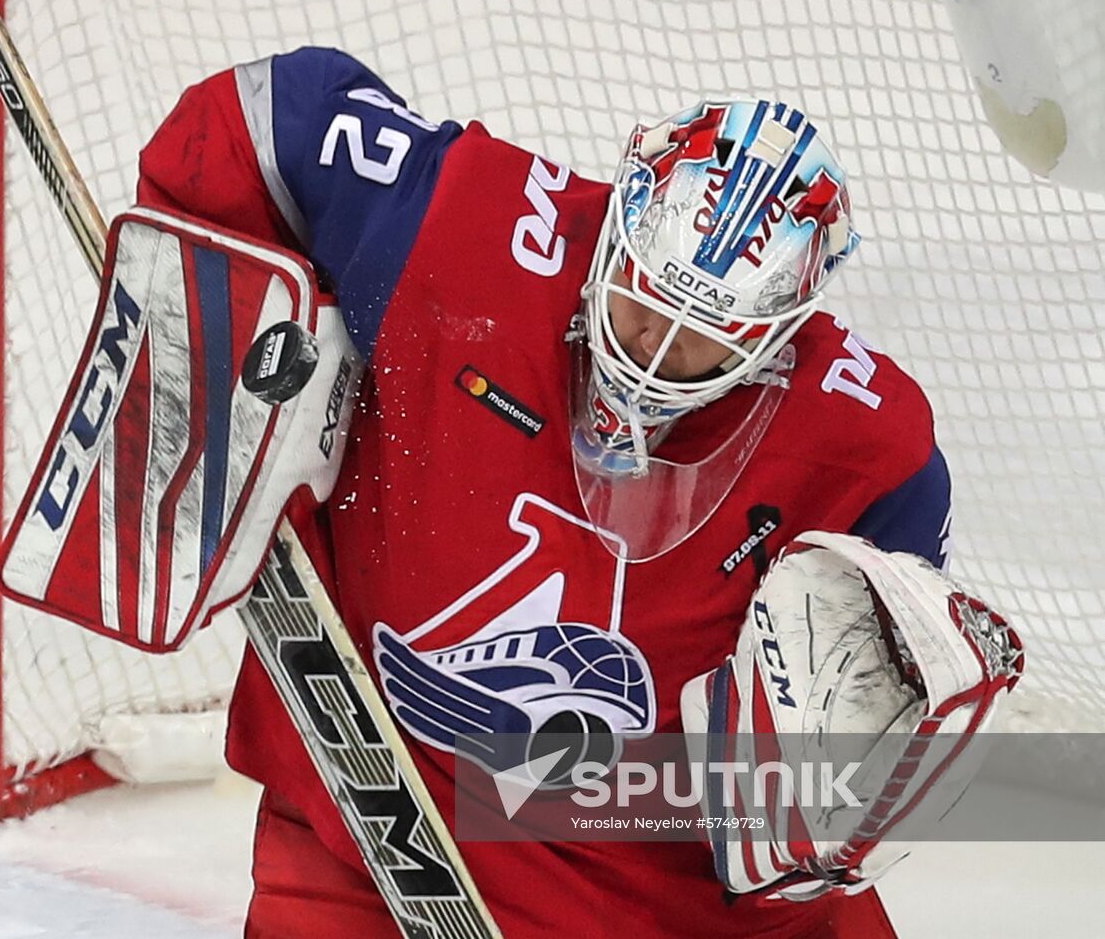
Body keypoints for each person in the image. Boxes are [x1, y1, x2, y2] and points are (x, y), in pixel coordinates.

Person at [136, 47, 951, 938]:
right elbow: (259, 115)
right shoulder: (472, 226)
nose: (650, 349)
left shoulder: (868, 450)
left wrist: (833, 779)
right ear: (619, 219)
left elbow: (873, 722)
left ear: (779, 334)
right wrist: (194, 359)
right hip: (372, 827)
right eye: (643, 298)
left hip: (659, 895)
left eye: (699, 339)